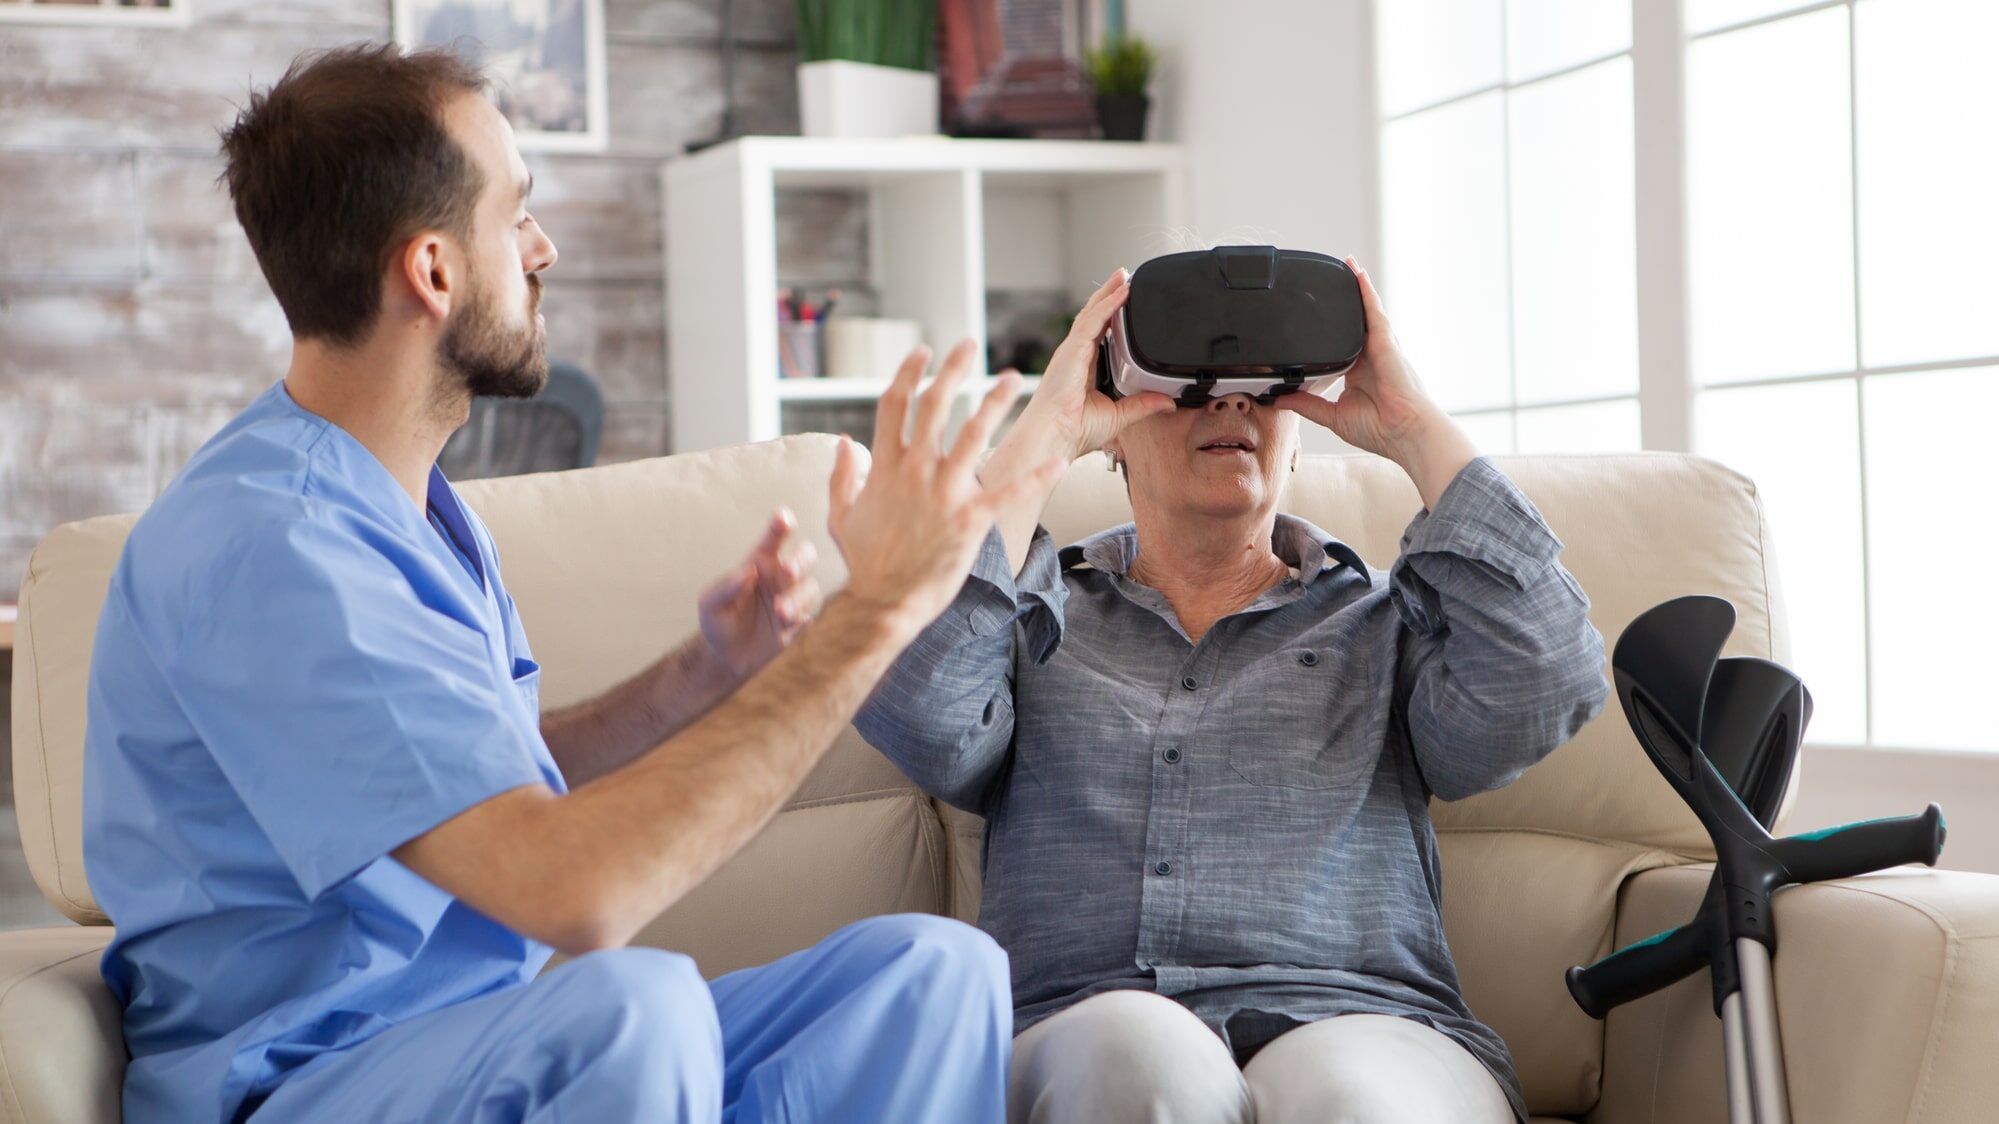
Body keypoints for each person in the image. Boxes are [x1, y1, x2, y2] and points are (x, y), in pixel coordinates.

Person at [82, 42, 1055, 1124]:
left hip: (475, 1044)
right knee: (633, 1005)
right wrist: (880, 605)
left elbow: (481, 775)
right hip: (304, 1079)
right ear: (434, 270)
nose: (543, 249)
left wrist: (701, 674)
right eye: (518, 215)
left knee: (931, 974)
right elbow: (571, 892)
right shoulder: (274, 543)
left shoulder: (409, 505)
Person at [856, 264, 1609, 1123]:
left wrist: (1412, 428)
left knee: (1353, 1100)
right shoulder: (1024, 619)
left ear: (1297, 423)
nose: (1228, 404)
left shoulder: (1390, 622)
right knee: (1135, 1056)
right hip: (1079, 1026)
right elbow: (924, 721)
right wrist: (1040, 441)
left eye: (1261, 386)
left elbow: (1542, 690)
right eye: (1187, 385)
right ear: (1111, 427)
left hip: (1363, 1017)